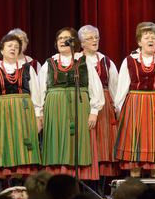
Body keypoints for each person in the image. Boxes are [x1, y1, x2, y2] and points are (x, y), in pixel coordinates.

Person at [114, 22, 155, 178]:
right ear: (139, 42)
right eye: (146, 37)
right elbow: (122, 86)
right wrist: (119, 109)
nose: (150, 39)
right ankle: (135, 183)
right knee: (135, 142)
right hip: (135, 105)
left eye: (153, 37)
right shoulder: (129, 61)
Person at [38, 27, 105, 180]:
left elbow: (95, 86)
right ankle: (57, 180)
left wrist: (94, 111)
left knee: (78, 142)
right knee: (56, 141)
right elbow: (40, 91)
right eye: (60, 38)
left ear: (74, 42)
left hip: (79, 108)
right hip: (54, 109)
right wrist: (39, 114)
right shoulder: (49, 63)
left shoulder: (83, 61)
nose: (63, 41)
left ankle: (79, 180)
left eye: (67, 38)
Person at [0, 34, 42, 179]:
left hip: (24, 114)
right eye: (10, 46)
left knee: (24, 148)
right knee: (4, 146)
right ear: (2, 50)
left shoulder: (27, 69)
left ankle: (22, 188)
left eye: (17, 47)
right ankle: (2, 190)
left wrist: (38, 116)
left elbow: (36, 94)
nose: (13, 48)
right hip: (2, 114)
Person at [78, 25, 119, 178]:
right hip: (83, 103)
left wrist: (116, 108)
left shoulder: (106, 61)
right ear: (82, 43)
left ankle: (103, 186)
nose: (94, 40)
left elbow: (115, 86)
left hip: (104, 106)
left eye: (96, 37)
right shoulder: (77, 60)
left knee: (103, 144)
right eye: (90, 38)